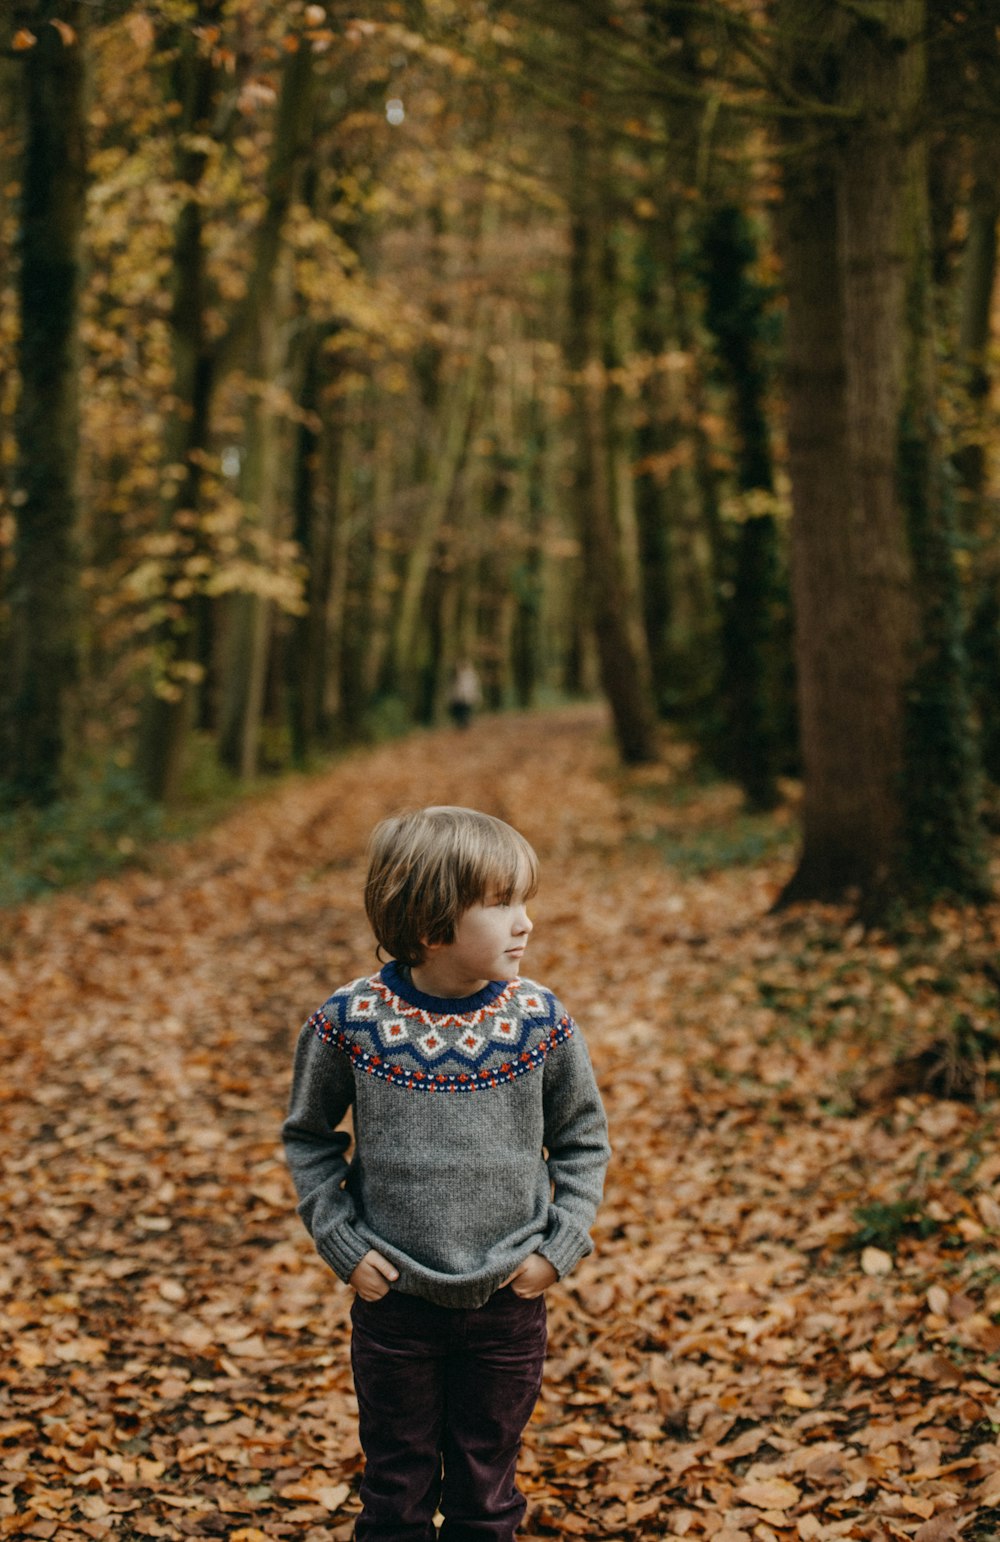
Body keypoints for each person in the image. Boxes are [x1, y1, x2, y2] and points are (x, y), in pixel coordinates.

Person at [282, 805, 610, 1542]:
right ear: (430, 921)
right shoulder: (351, 1022)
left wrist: (556, 1251)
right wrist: (341, 1243)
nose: (524, 921)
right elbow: (308, 1137)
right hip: (395, 1298)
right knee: (394, 1488)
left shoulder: (540, 1022)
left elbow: (584, 1141)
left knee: (485, 1492)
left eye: (525, 900)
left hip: (506, 1299)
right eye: (500, 904)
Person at [447, 661, 482, 729]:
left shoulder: (470, 675)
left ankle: (465, 725)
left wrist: (475, 696)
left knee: (465, 712)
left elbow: (473, 687)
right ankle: (460, 725)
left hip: (466, 697)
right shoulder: (455, 676)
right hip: (458, 698)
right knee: (459, 712)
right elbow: (453, 687)